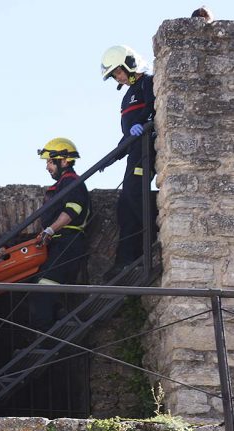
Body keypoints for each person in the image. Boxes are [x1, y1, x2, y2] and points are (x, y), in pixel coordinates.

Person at [100, 45, 156, 280]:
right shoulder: (128, 94)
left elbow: (155, 110)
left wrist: (144, 124)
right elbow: (127, 135)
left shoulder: (148, 83)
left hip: (146, 147)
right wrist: (113, 157)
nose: (118, 77)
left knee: (134, 192)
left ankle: (154, 236)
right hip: (133, 149)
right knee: (124, 203)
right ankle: (126, 257)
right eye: (114, 75)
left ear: (129, 64)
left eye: (118, 72)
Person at [30, 138, 91, 333]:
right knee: (41, 283)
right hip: (62, 242)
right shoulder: (65, 182)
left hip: (68, 241)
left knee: (44, 287)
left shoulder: (71, 182)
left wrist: (50, 229)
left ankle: (45, 332)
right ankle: (57, 318)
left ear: (63, 161)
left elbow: (73, 209)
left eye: (50, 162)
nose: (47, 167)